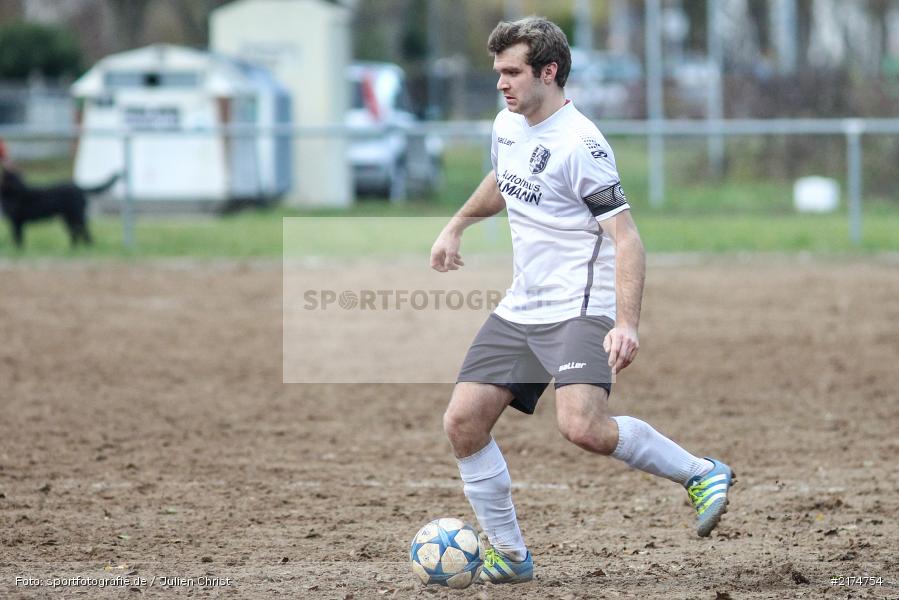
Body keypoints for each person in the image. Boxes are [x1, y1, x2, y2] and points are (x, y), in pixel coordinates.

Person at [429, 17, 735, 585]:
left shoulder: (582, 145)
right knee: (463, 422)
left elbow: (627, 238)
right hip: (523, 305)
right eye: (498, 71)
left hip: (580, 305)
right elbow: (503, 178)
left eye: (512, 72)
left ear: (549, 72)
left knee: (583, 426)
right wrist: (457, 224)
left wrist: (626, 323)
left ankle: (700, 472)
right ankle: (510, 556)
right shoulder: (507, 123)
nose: (501, 83)